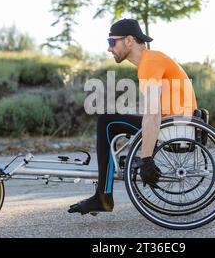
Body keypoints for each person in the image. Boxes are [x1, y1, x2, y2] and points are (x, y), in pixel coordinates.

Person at [68, 19, 198, 215]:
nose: (109, 48)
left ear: (129, 41)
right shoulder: (151, 60)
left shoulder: (150, 62)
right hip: (177, 122)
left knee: (107, 121)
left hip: (174, 126)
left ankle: (103, 196)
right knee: (112, 120)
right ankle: (104, 193)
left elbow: (153, 114)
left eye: (112, 42)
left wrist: (146, 159)